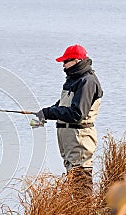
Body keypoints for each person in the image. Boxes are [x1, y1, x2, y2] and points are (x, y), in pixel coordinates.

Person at [36, 44, 103, 195]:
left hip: (80, 139)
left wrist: (49, 112)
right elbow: (63, 105)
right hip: (71, 140)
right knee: (74, 178)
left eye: (66, 62)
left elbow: (77, 114)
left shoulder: (87, 82)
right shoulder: (74, 80)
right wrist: (44, 113)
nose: (63, 66)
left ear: (77, 60)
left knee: (81, 180)